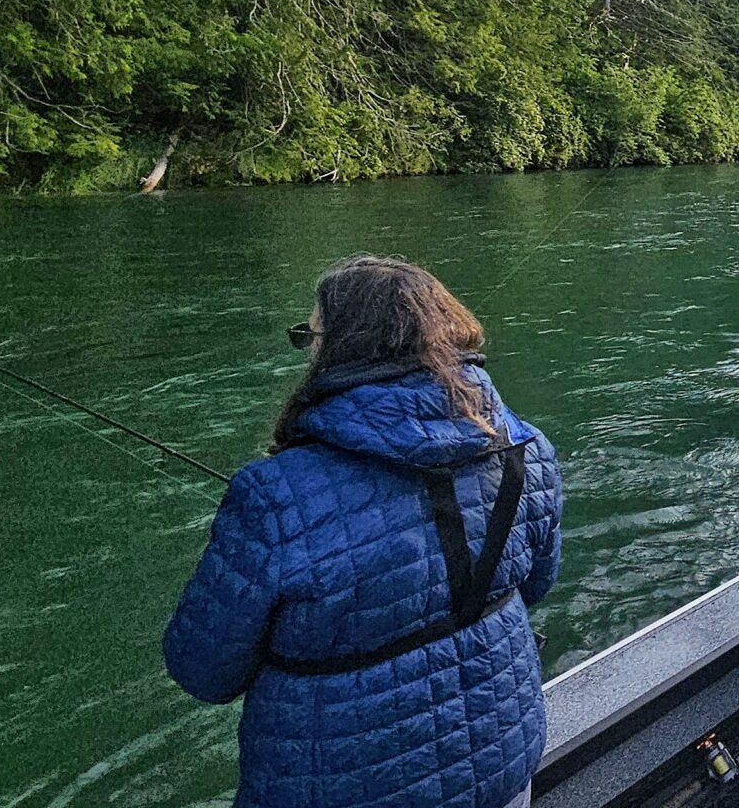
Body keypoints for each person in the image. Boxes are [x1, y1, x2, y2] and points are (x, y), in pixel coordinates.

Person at [164, 255, 564, 808]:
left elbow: (202, 671)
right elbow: (536, 585)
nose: (308, 350)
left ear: (342, 347)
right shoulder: (528, 450)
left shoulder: (272, 494)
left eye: (310, 336)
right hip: (502, 767)